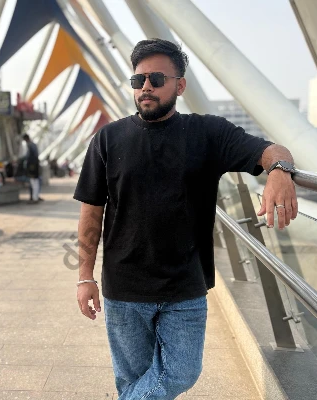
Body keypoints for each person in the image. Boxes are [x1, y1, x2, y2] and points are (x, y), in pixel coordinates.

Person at [73, 39, 298, 400]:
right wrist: (85, 276)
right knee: (132, 381)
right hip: (124, 289)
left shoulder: (208, 133)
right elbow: (91, 212)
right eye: (138, 80)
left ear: (180, 86)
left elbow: (270, 151)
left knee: (181, 373)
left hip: (185, 288)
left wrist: (280, 170)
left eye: (157, 78)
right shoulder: (108, 139)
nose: (146, 87)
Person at [21, 133, 40, 204]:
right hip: (35, 165)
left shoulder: (30, 145)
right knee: (35, 182)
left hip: (32, 165)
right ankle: (35, 197)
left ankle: (34, 197)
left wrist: (21, 159)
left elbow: (28, 155)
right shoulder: (33, 144)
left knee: (33, 182)